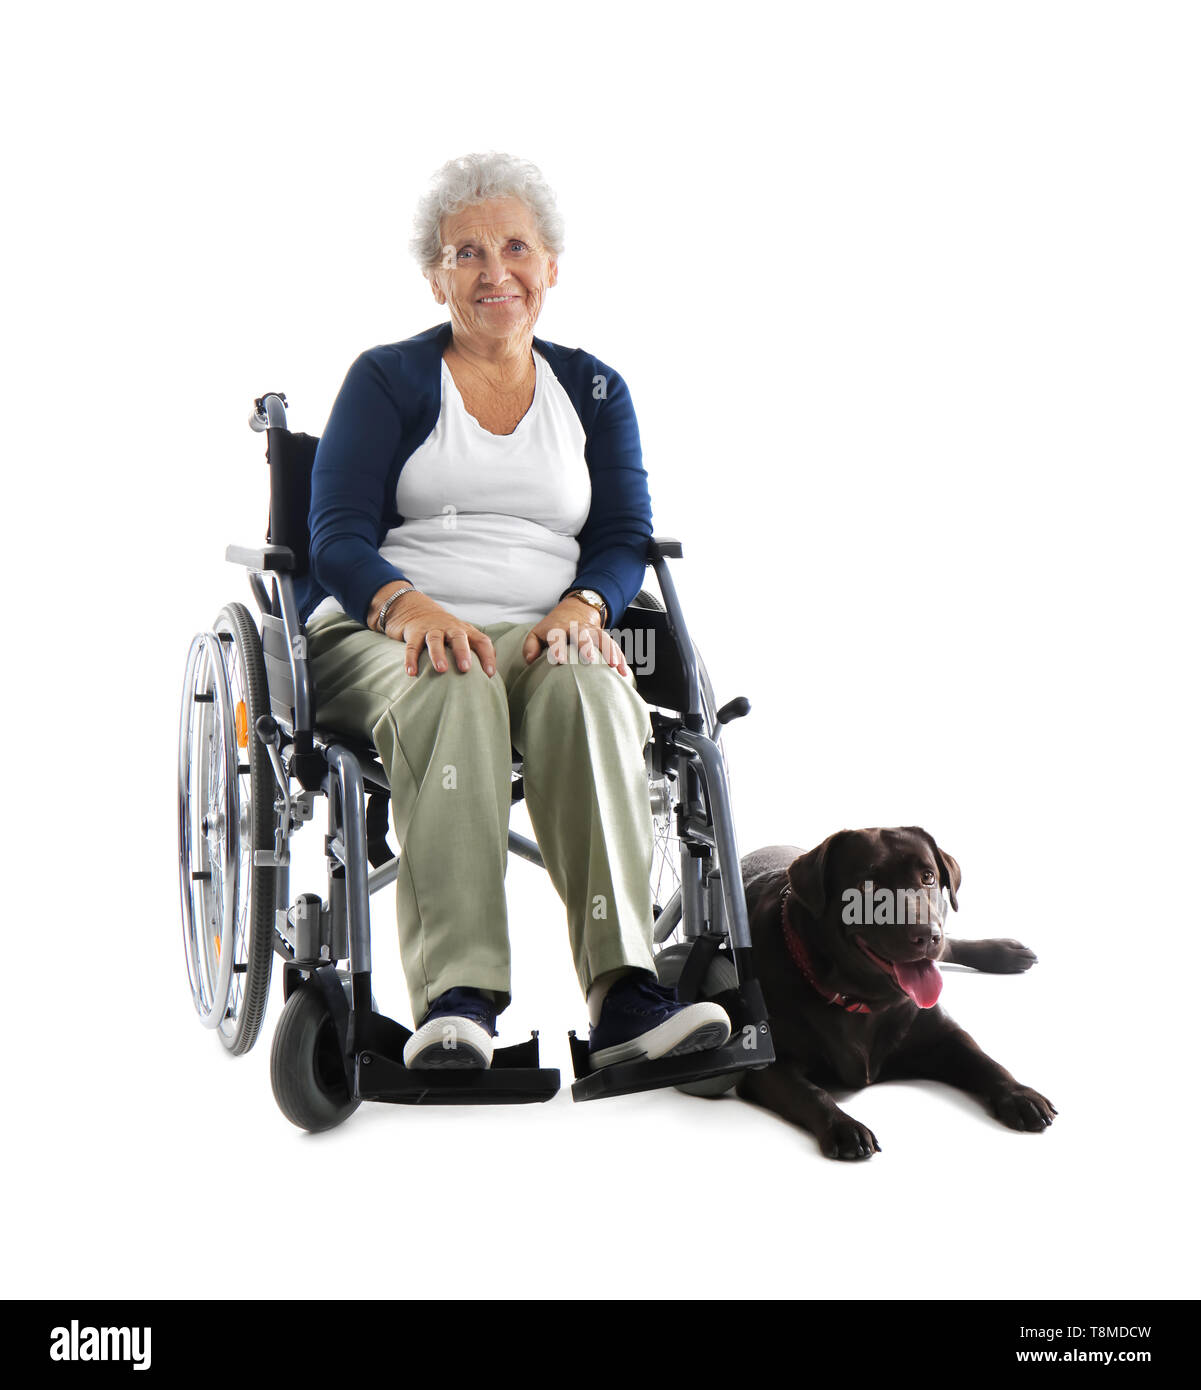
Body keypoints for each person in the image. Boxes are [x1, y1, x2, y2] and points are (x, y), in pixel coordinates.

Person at [298, 152, 731, 1071]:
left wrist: (586, 605)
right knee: (454, 682)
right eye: (467, 253)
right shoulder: (386, 378)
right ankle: (455, 1002)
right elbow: (332, 533)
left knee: (589, 686)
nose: (496, 272)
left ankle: (626, 996)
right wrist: (410, 608)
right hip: (383, 630)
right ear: (434, 275)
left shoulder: (595, 390)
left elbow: (624, 534)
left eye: (516, 248)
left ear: (551, 265)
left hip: (541, 630)